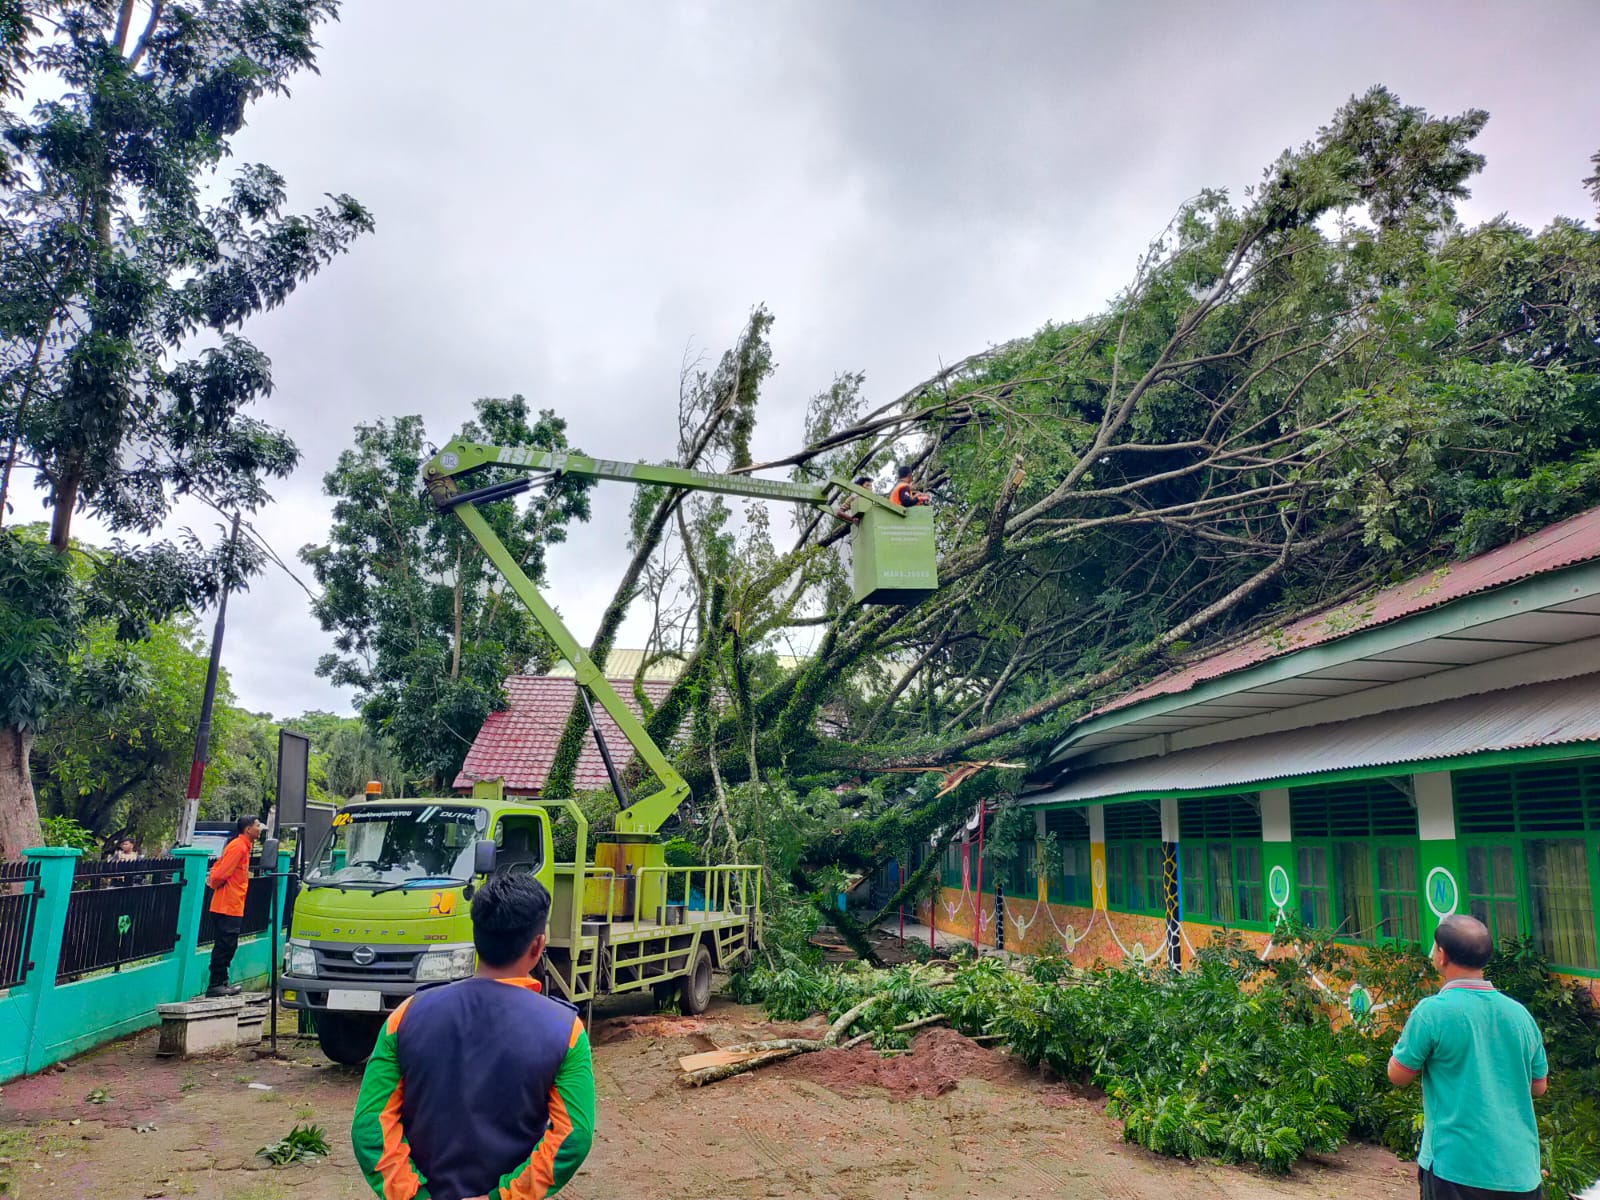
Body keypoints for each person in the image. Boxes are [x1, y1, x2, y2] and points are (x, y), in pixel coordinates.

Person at [352, 873, 595, 1200]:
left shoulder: (407, 1015)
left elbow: (370, 1127)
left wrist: (416, 1196)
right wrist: (503, 1195)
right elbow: (573, 1137)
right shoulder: (565, 1030)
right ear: (537, 944)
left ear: (475, 936)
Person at [1388, 914, 1548, 1200]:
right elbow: (1539, 1086)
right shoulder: (1520, 1015)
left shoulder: (1432, 1012)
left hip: (1456, 1168)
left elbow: (1398, 1075)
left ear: (1442, 955)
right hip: (1520, 1172)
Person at [205, 815, 262, 997]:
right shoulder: (238, 847)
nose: (260, 828)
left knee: (229, 945)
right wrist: (213, 883)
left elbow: (218, 866)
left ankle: (222, 982)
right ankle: (216, 984)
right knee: (224, 946)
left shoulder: (242, 847)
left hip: (232, 904)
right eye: (257, 825)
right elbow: (220, 872)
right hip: (226, 905)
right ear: (248, 829)